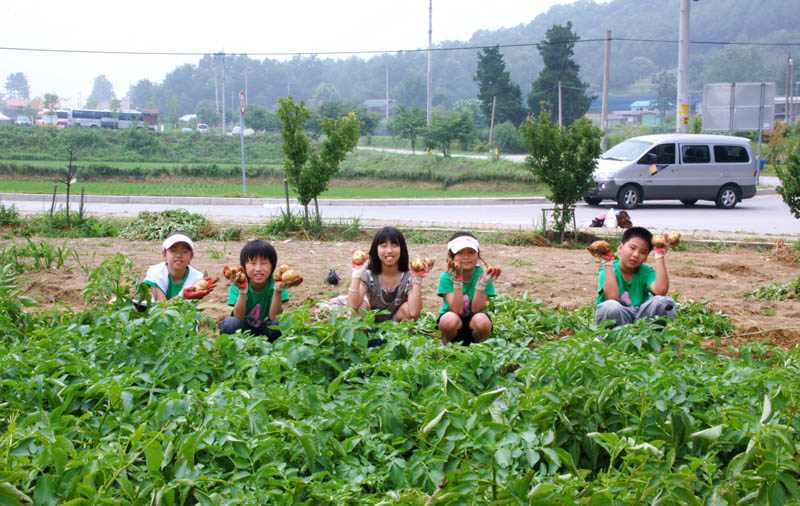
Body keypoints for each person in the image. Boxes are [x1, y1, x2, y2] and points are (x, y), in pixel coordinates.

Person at [347, 227, 429, 343]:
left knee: (407, 308)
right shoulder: (369, 275)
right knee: (361, 307)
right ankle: (362, 346)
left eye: (395, 245)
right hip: (369, 328)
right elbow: (352, 306)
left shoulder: (408, 277)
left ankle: (400, 346)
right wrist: (356, 274)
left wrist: (417, 279)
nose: (389, 250)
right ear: (376, 249)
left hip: (394, 330)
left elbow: (414, 313)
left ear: (402, 249)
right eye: (383, 246)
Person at [594, 226, 676, 329]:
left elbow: (661, 290)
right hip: (619, 318)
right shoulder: (608, 270)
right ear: (620, 248)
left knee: (665, 302)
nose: (636, 255)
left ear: (646, 257)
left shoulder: (646, 271)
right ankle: (612, 338)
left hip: (642, 318)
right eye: (632, 248)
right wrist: (607, 263)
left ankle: (649, 335)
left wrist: (659, 255)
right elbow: (612, 296)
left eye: (643, 252)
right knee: (610, 307)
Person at [218, 239, 300, 340]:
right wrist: (242, 292)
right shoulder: (238, 283)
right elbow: (238, 317)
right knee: (230, 323)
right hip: (244, 331)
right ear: (244, 267)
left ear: (272, 266)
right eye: (252, 263)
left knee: (280, 322)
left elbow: (274, 316)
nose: (258, 268)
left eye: (264, 263)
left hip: (267, 330)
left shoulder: (278, 283)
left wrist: (277, 291)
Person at [437, 232, 500, 346]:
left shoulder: (484, 275)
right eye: (460, 253)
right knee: (449, 320)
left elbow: (476, 309)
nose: (466, 257)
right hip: (453, 322)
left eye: (471, 252)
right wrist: (457, 282)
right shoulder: (446, 277)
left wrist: (482, 284)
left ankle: (479, 347)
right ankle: (445, 345)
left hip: (474, 323)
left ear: (478, 254)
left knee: (482, 321)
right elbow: (457, 310)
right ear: (450, 255)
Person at [142, 232, 215, 303]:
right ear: (164, 254)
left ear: (191, 256)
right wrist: (182, 296)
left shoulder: (197, 278)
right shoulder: (155, 273)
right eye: (173, 250)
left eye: (184, 251)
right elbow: (162, 308)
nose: (179, 255)